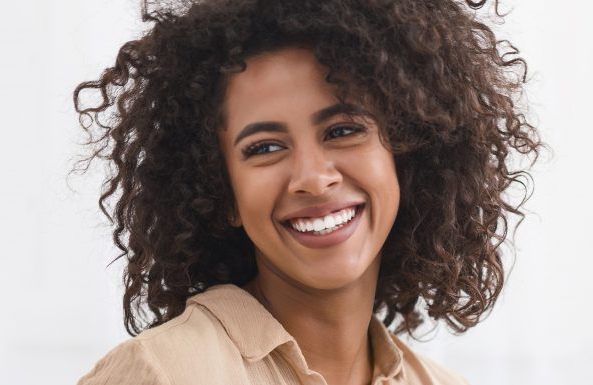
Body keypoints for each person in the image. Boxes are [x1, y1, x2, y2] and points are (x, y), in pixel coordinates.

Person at [70, 0, 542, 384]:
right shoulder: (164, 374)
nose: (314, 179)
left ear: (406, 152)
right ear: (222, 191)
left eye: (341, 131)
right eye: (265, 147)